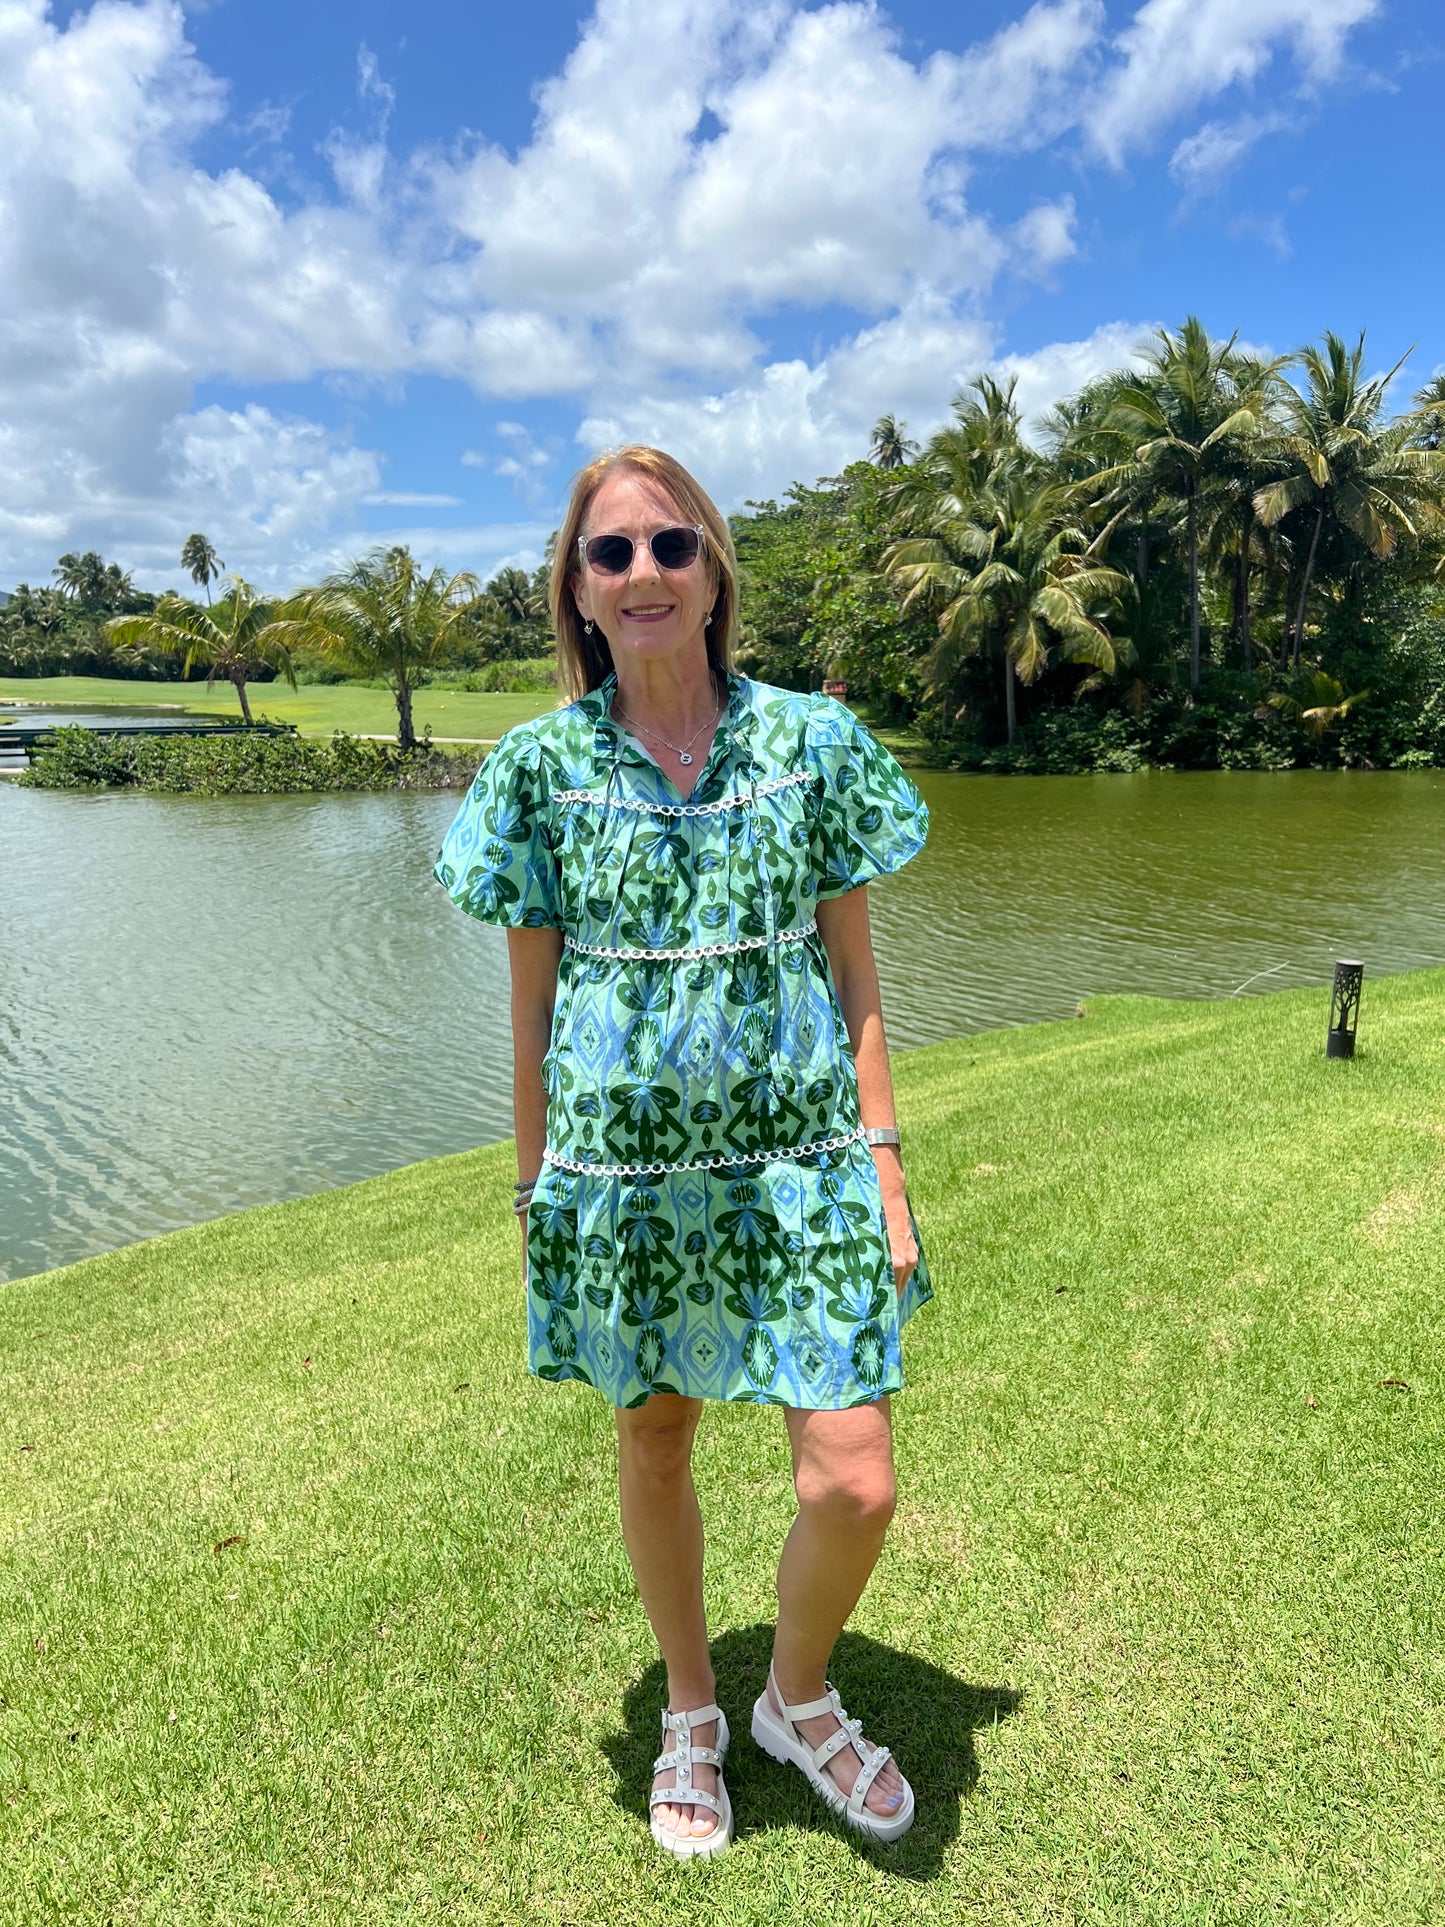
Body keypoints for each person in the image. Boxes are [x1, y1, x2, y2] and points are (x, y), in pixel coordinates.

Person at [434, 445, 933, 1859]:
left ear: (714, 569)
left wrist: (883, 1158)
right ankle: (695, 1712)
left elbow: (858, 979)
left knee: (853, 1476)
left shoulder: (810, 744)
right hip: (621, 1181)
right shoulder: (537, 772)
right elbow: (530, 1002)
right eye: (611, 554)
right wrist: (536, 1187)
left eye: (670, 546)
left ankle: (796, 1694)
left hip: (805, 1162)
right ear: (577, 592)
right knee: (654, 1434)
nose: (642, 574)